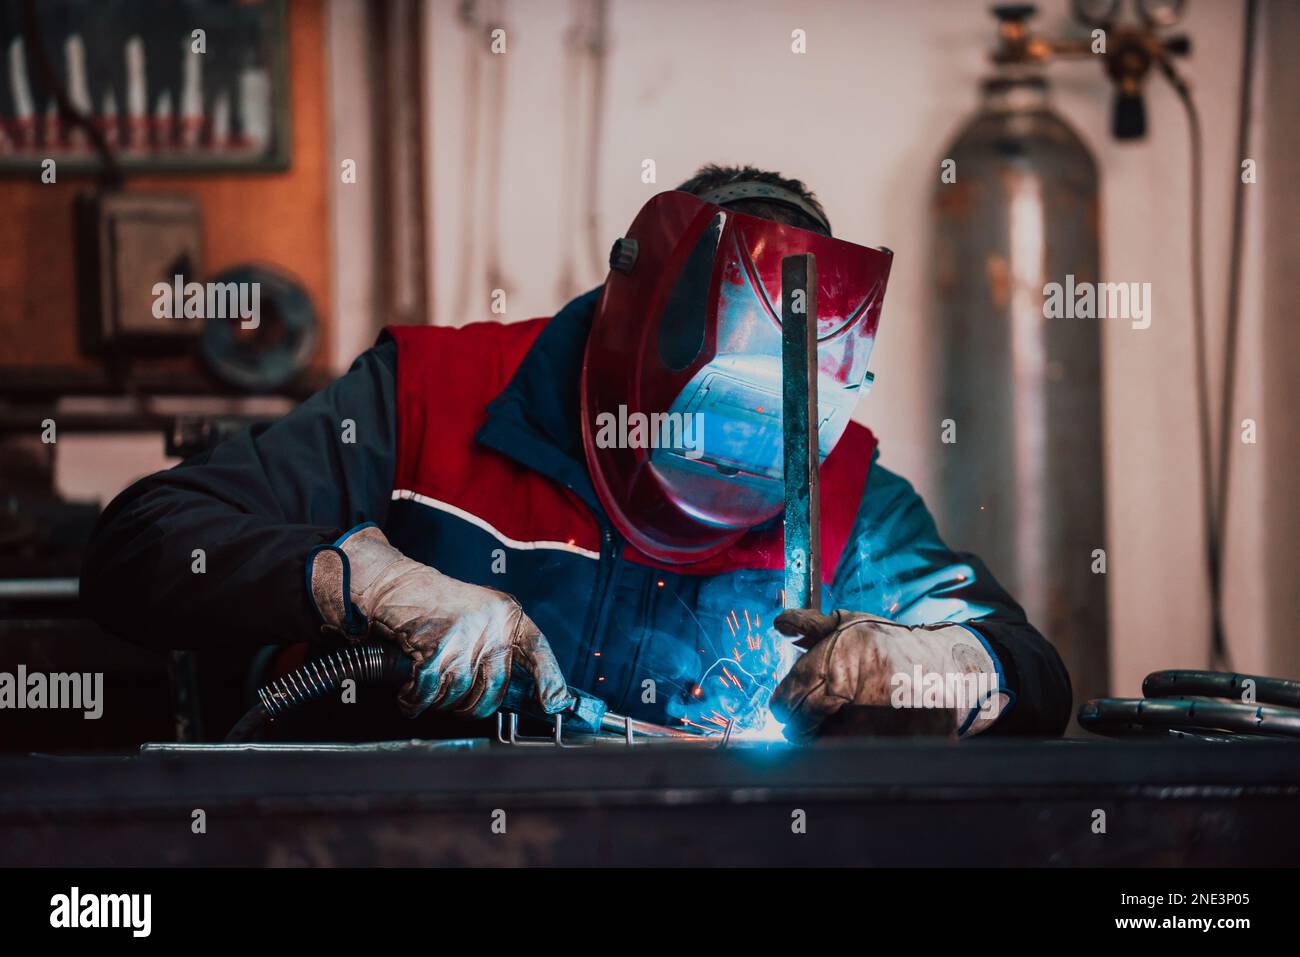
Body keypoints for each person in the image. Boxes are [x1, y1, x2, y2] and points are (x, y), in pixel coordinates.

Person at [82, 164, 1071, 741]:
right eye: (717, 418)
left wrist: (945, 665)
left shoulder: (849, 496)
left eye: (780, 440)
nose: (738, 465)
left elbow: (1029, 672)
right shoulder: (428, 396)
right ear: (632, 337)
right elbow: (142, 545)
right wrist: (364, 584)